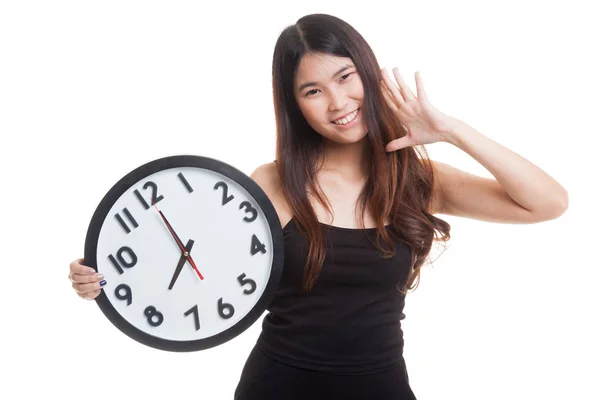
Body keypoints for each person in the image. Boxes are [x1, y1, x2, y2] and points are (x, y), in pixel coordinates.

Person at [68, 13, 569, 400]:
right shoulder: (275, 182)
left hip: (381, 385)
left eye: (346, 76)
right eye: (313, 90)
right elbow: (191, 259)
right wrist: (106, 278)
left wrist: (452, 131)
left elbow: (548, 203)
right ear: (295, 106)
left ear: (368, 73)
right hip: (278, 386)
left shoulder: (417, 179)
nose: (337, 102)